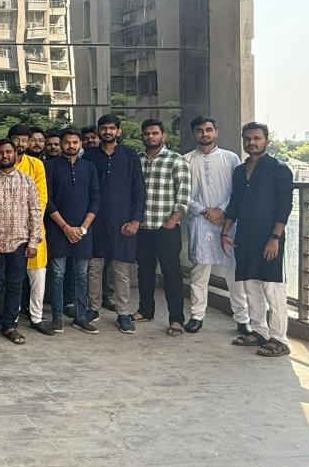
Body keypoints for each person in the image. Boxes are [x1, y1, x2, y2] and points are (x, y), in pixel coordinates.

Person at [223, 122, 294, 357]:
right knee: (250, 285)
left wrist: (275, 237)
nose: (251, 142)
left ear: (266, 141)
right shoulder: (239, 171)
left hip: (269, 238)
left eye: (256, 138)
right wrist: (225, 232)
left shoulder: (279, 169)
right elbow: (234, 203)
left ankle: (279, 338)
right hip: (245, 236)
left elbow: (285, 206)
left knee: (272, 289)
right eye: (247, 139)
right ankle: (259, 332)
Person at [0, 139, 42, 346]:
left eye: (8, 152)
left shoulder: (27, 181)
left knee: (15, 286)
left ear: (15, 154)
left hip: (20, 243)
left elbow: (35, 212)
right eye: (0, 152)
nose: (5, 156)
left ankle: (10, 325)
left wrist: (33, 242)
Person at [183, 116, 249, 334]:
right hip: (200, 222)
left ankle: (242, 319)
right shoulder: (185, 160)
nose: (205, 134)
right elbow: (183, 195)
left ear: (215, 132)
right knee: (199, 272)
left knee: (234, 272)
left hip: (227, 222)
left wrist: (221, 209)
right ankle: (197, 316)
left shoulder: (231, 158)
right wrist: (204, 211)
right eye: (200, 130)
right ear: (194, 134)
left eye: (208, 129)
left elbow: (238, 190)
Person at [83, 115, 145, 334]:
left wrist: (135, 220)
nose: (108, 131)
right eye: (104, 128)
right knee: (94, 267)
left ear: (119, 131)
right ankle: (93, 309)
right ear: (98, 131)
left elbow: (139, 190)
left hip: (123, 222)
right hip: (95, 221)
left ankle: (123, 313)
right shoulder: (89, 157)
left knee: (121, 269)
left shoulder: (130, 156)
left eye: (112, 128)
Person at [135, 119, 191, 335]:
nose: (151, 137)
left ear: (163, 136)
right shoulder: (137, 160)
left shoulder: (176, 160)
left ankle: (176, 319)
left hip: (166, 228)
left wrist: (171, 222)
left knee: (172, 274)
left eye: (155, 133)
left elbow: (183, 196)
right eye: (147, 133)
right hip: (143, 227)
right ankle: (145, 310)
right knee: (145, 271)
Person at [45, 129, 100, 334]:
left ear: (80, 144)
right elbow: (47, 200)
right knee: (57, 274)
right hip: (58, 229)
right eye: (67, 142)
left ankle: (81, 317)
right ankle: (57, 318)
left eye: (75, 142)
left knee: (82, 275)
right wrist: (65, 227)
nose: (71, 146)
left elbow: (95, 199)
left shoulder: (89, 167)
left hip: (83, 231)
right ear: (61, 144)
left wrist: (83, 227)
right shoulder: (50, 166)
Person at [6, 124, 50, 334]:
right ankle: (11, 317)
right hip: (8, 231)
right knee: (12, 278)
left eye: (25, 140)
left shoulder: (36, 165)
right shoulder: (0, 163)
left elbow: (42, 198)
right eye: (16, 139)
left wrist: (31, 224)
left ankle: (36, 317)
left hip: (34, 229)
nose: (20, 144)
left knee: (37, 275)